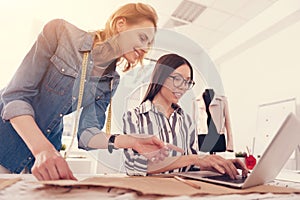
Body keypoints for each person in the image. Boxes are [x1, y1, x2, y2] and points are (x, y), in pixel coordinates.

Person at [0, 3, 179, 181]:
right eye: (142, 37)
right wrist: (42, 150)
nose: (145, 48)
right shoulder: (59, 33)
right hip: (7, 136)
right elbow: (15, 96)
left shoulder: (111, 81)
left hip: (47, 147)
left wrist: (132, 141)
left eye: (149, 43)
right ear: (120, 24)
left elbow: (87, 135)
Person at [122, 54, 248, 179]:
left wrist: (218, 165)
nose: (182, 87)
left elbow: (191, 167)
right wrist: (194, 158)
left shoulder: (187, 121)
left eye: (187, 82)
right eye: (177, 79)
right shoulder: (134, 117)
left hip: (182, 191)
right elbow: (132, 166)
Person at [196, 88, 234, 154]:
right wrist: (193, 145)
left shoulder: (222, 100)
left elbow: (228, 122)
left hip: (218, 137)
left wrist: (230, 144)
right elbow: (194, 123)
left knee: (216, 161)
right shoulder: (196, 101)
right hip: (203, 137)